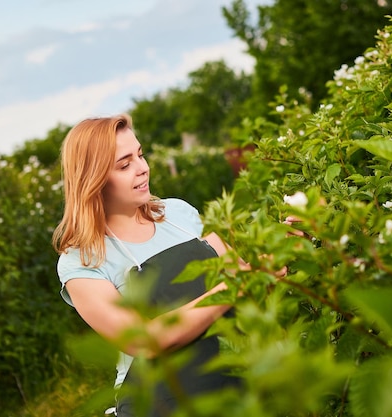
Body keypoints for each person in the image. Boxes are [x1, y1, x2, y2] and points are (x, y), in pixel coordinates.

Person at [52, 113, 252, 416]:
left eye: (140, 155)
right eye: (124, 164)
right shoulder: (82, 260)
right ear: (93, 178)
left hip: (232, 378)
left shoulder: (179, 214)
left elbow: (242, 275)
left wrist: (287, 244)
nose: (142, 169)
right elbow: (143, 341)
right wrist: (232, 286)